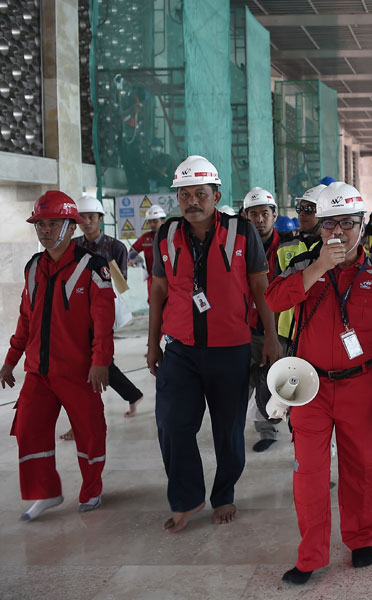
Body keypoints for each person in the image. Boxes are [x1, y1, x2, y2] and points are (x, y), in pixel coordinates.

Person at [266, 182, 372, 585]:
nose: (339, 232)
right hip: (309, 388)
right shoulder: (301, 265)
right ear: (319, 227)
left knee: (363, 468)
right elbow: (273, 300)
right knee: (308, 473)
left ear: (363, 227)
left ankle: (360, 539)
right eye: (330, 224)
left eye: (349, 223)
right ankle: (311, 556)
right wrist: (317, 270)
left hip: (361, 387)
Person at [146, 155, 282, 534]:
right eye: (184, 194)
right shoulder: (166, 235)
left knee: (227, 429)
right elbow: (158, 290)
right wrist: (153, 342)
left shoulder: (242, 231)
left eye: (200, 194)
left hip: (232, 348)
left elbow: (260, 287)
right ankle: (187, 497)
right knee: (172, 424)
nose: (192, 201)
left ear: (216, 194)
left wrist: (270, 336)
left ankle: (224, 494)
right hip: (180, 349)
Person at [0, 191, 115, 520]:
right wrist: (10, 360)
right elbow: (26, 319)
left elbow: (103, 324)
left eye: (53, 223)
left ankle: (91, 489)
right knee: (27, 429)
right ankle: (44, 493)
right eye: (40, 224)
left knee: (89, 432)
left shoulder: (93, 268)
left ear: (71, 226)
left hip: (79, 371)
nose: (45, 230)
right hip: (38, 371)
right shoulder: (33, 267)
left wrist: (100, 362)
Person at [69, 195, 144, 425]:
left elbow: (120, 284)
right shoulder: (74, 246)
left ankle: (84, 418)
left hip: (104, 311)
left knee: (99, 361)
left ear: (100, 219)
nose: (87, 222)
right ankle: (131, 396)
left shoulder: (115, 247)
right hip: (79, 312)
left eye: (92, 217)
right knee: (94, 362)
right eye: (82, 217)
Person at [242, 187, 283, 453]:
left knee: (272, 383)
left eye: (264, 214)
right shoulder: (238, 247)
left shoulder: (288, 248)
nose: (259, 220)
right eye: (254, 214)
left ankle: (271, 428)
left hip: (278, 329)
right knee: (241, 384)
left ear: (274, 215)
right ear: (245, 216)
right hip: (245, 328)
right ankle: (235, 427)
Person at [275, 184, 326, 344]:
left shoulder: (332, 250)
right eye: (300, 208)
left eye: (310, 209)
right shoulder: (284, 247)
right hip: (287, 333)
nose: (302, 214)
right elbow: (273, 292)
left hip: (319, 332)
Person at [129, 204, 167, 301]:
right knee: (154, 304)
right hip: (153, 279)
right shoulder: (145, 238)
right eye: (150, 222)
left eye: (155, 221)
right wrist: (133, 261)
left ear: (163, 221)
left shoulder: (171, 237)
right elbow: (132, 251)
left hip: (171, 279)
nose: (152, 224)